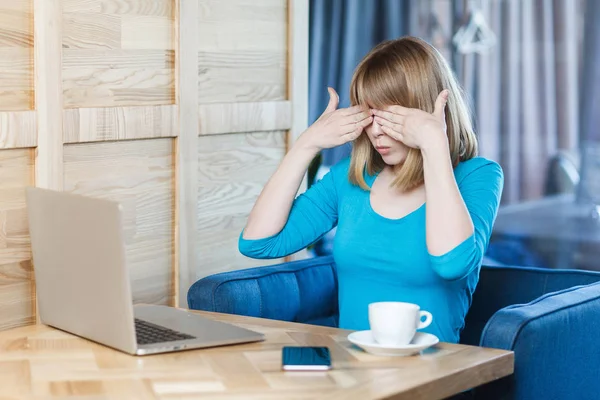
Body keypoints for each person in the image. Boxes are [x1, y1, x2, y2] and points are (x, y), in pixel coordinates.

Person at [238, 36, 504, 344]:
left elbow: (452, 264)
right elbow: (258, 243)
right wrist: (306, 144)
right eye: (370, 115)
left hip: (434, 375)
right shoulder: (350, 179)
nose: (376, 131)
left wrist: (434, 144)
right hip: (352, 374)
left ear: (423, 111)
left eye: (390, 116)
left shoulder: (478, 176)